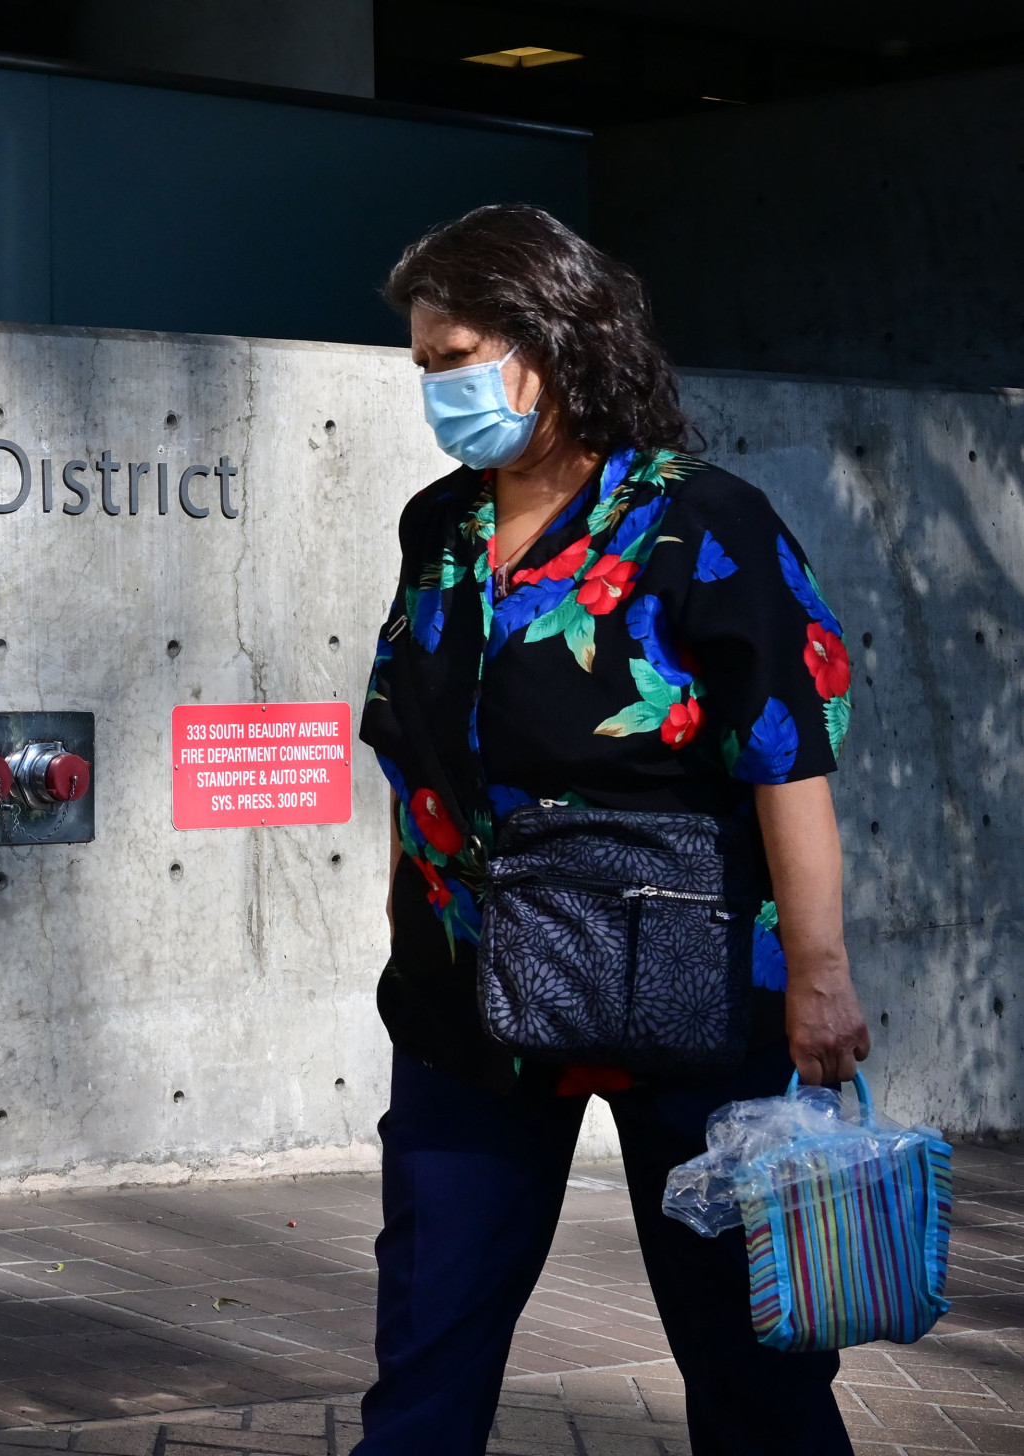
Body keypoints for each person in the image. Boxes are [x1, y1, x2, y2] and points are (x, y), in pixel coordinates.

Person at [354, 204, 870, 1454]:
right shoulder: (444, 525)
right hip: (466, 998)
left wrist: (818, 977)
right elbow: (407, 752)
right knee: (424, 1363)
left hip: (686, 987)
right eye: (421, 364)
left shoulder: (702, 519)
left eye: (452, 356)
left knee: (754, 1371)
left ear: (549, 342)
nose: (434, 389)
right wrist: (408, 943)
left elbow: (787, 753)